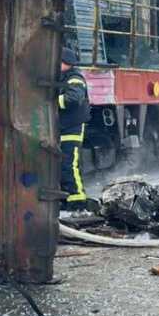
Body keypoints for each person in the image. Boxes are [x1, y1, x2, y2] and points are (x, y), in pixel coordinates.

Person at [57, 46, 90, 209]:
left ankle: (77, 201)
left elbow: (73, 99)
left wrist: (52, 102)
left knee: (69, 165)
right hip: (63, 127)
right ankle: (66, 199)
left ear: (66, 63)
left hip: (72, 128)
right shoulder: (64, 77)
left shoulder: (75, 78)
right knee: (63, 165)